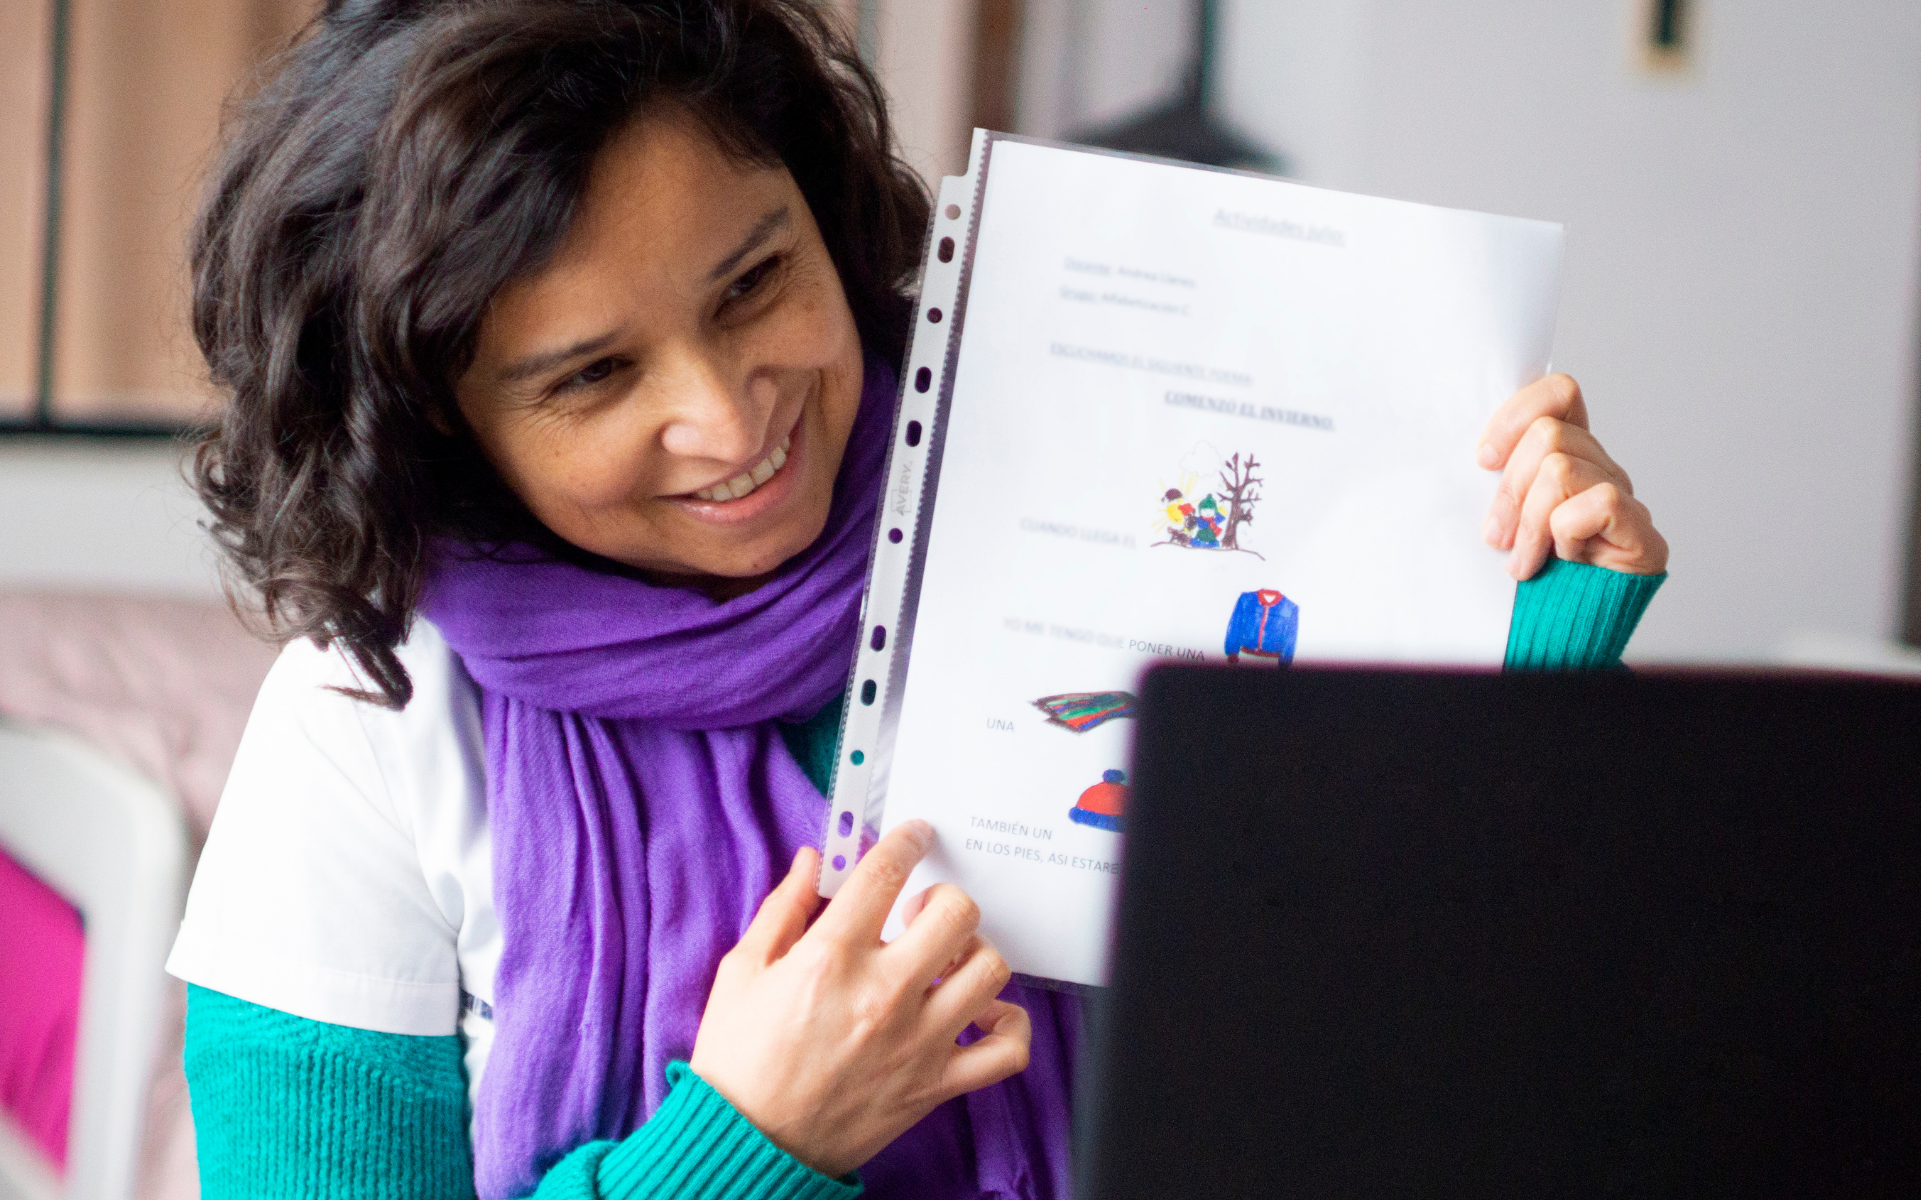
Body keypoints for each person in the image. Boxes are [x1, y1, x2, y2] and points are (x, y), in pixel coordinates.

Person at [168, 1, 1670, 1197]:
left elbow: (1385, 988)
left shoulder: (1083, 509)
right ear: (442, 425)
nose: (730, 415)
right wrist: (755, 1141)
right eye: (594, 376)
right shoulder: (368, 726)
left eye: (755, 284)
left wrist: (1527, 622)